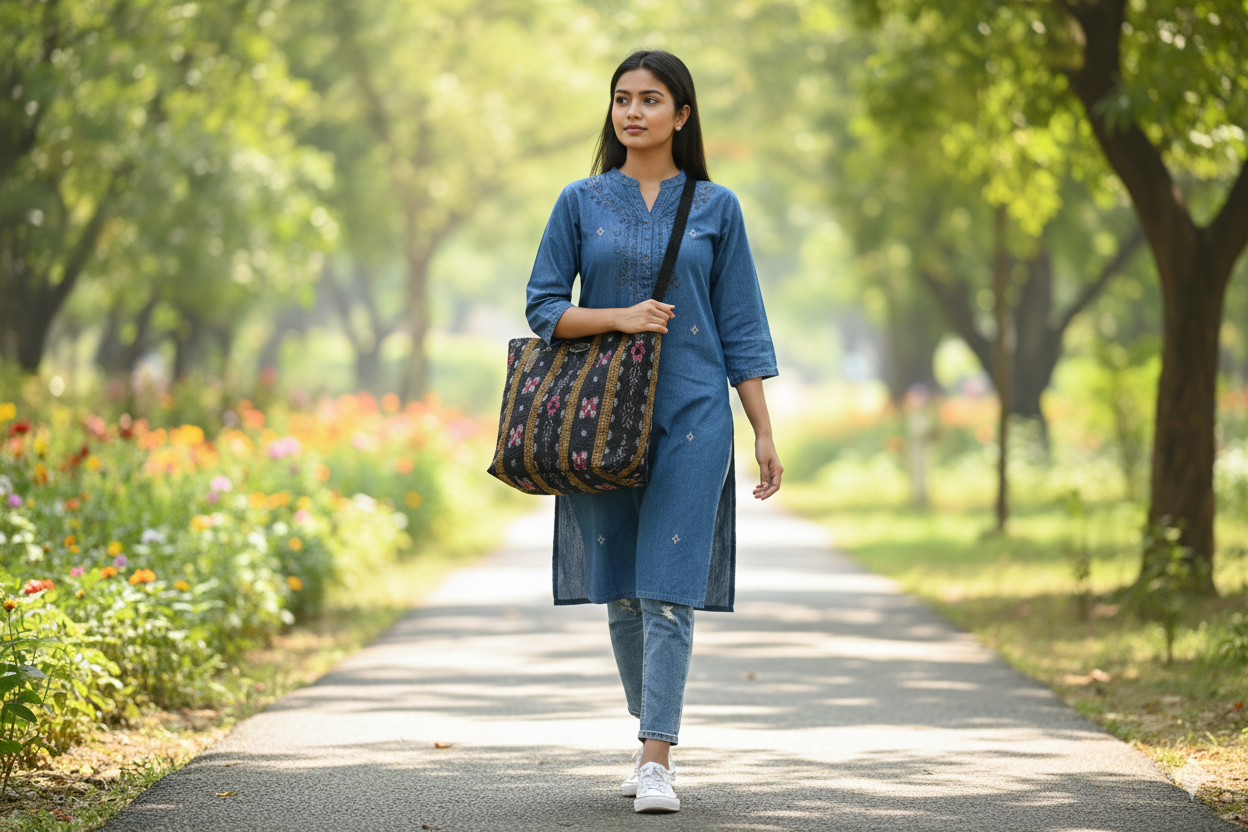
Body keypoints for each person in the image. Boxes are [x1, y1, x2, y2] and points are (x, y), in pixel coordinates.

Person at [524, 49, 781, 814]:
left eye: (650, 99)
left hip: (696, 413)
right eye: (621, 99)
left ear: (682, 114)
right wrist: (619, 318)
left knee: (668, 590)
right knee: (625, 596)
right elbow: (543, 307)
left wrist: (762, 430)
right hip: (599, 419)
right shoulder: (579, 201)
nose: (633, 112)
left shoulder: (716, 207)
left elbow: (742, 326)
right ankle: (651, 732)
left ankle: (657, 757)